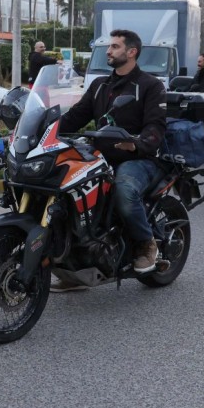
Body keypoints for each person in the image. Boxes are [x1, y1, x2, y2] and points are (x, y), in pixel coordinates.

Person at [54, 29, 167, 291]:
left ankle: (146, 244)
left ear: (132, 52)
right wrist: (46, 128)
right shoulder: (99, 86)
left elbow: (156, 128)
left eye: (115, 47)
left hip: (138, 158)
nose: (108, 51)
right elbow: (75, 117)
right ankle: (75, 266)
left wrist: (136, 143)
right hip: (99, 157)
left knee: (123, 191)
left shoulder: (151, 85)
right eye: (109, 46)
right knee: (65, 191)